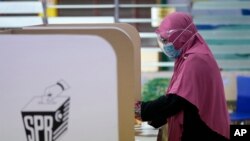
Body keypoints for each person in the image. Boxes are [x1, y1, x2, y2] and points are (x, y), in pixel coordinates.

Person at [135, 12, 230, 141]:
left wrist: (141, 110)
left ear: (182, 36)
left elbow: (176, 100)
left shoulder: (196, 59)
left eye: (166, 40)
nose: (165, 45)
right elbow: (184, 100)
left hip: (204, 131)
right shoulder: (189, 56)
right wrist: (155, 118)